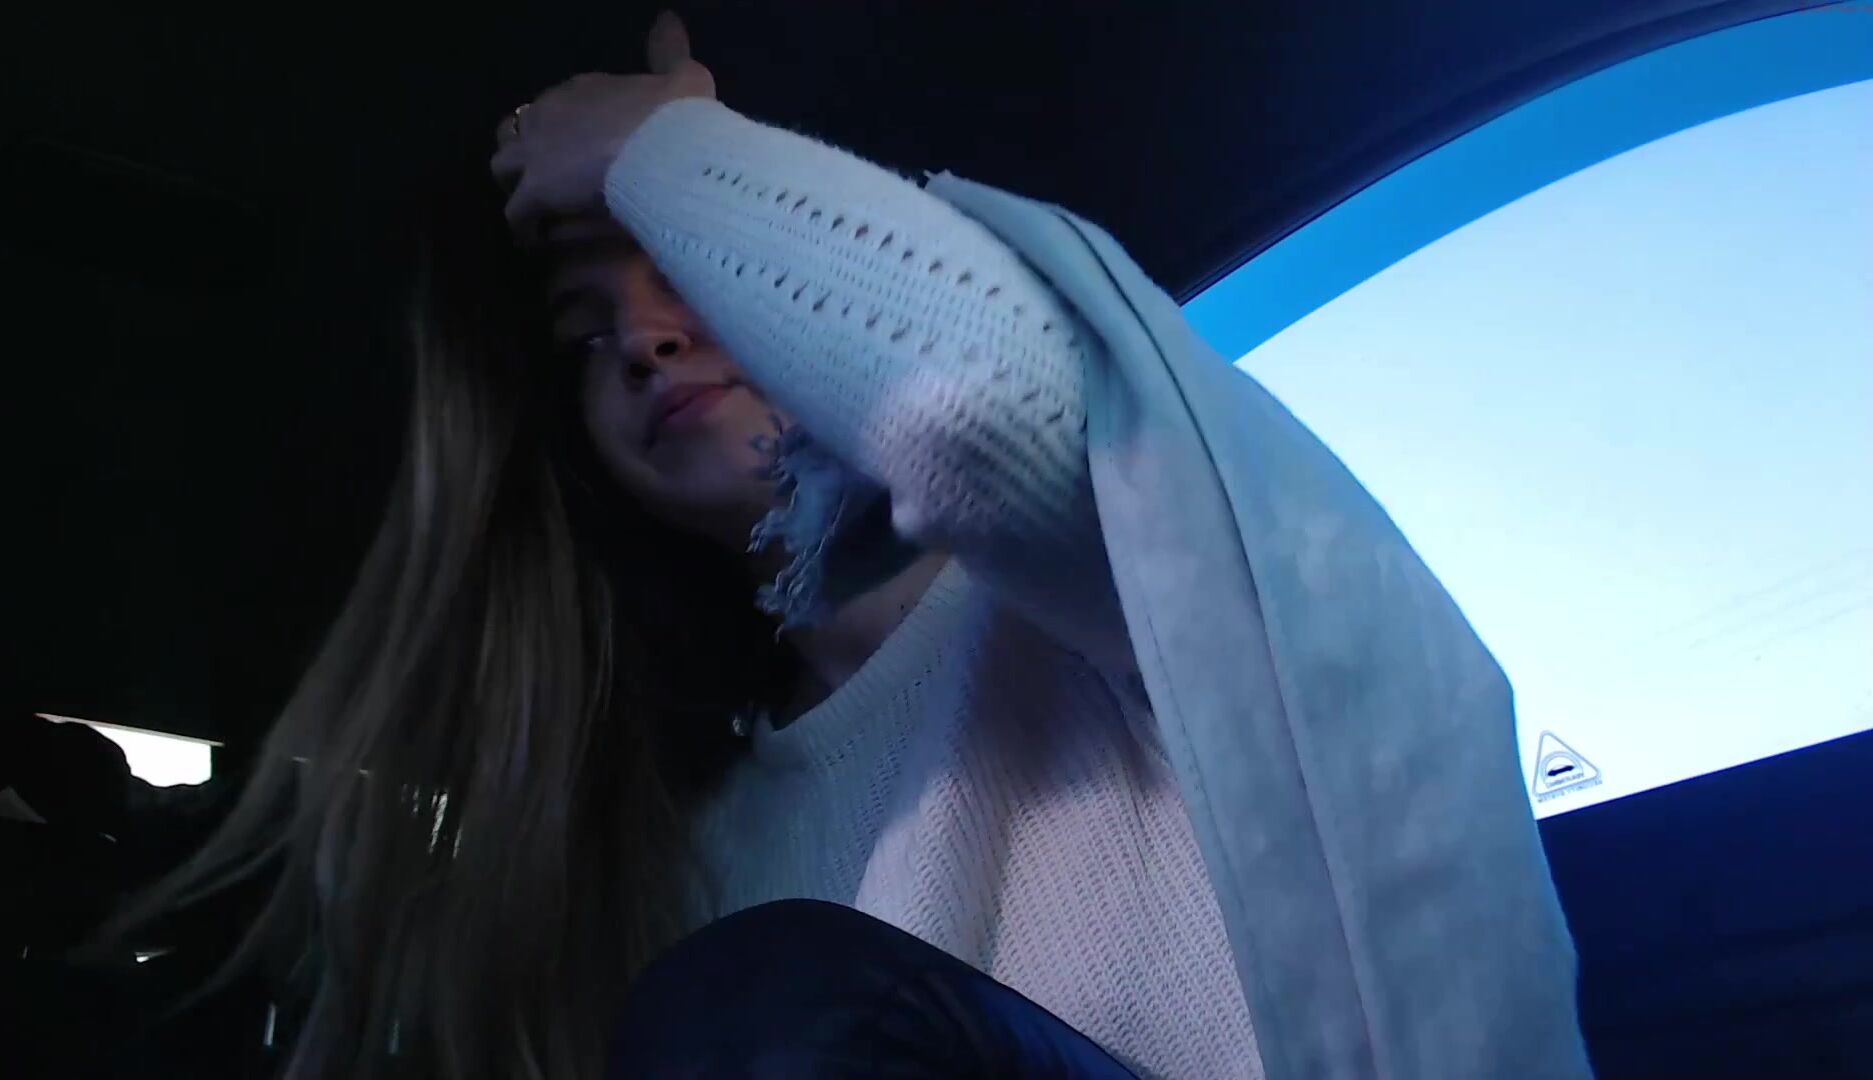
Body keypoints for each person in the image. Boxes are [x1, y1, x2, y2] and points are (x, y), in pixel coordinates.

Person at [121, 13, 1591, 1080]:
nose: (643, 334)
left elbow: (987, 409)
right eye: (585, 330)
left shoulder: (1109, 587)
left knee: (779, 1005)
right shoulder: (706, 837)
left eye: (685, 263)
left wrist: (654, 149)